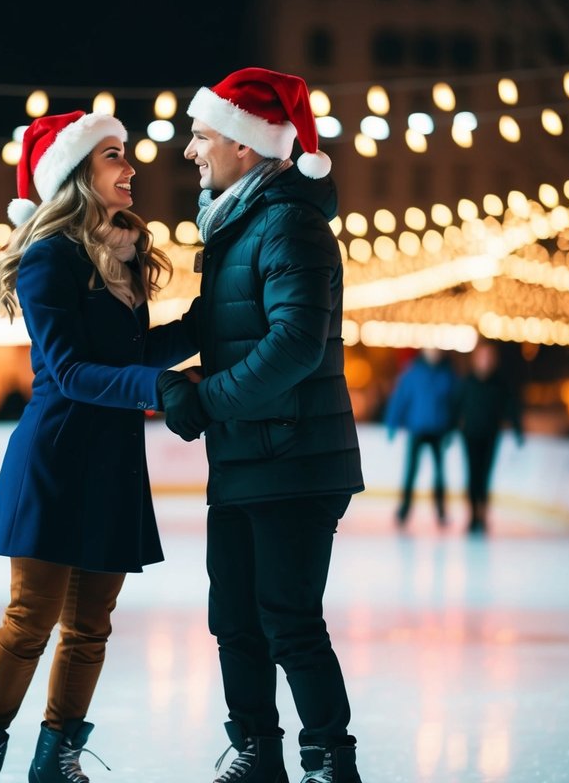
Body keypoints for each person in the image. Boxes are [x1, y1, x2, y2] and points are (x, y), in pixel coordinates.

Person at [0, 110, 195, 783]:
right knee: (30, 617)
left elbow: (136, 349)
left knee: (90, 626)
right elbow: (71, 370)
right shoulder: (48, 257)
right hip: (56, 453)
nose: (130, 166)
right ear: (78, 173)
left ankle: (56, 759)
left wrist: (207, 329)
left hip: (112, 458)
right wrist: (157, 386)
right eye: (114, 154)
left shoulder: (125, 255)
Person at [159, 67, 366, 783]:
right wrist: (131, 356)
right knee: (235, 623)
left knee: (288, 621)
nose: (190, 149)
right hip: (248, 456)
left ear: (244, 146)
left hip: (294, 456)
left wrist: (205, 400)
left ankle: (327, 761)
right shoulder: (237, 223)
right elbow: (209, 324)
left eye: (202, 135)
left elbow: (293, 345)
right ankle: (256, 753)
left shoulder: (289, 223)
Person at [385, 347, 460, 528]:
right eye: (430, 351)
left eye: (436, 351)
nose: (434, 354)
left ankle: (441, 512)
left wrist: (451, 429)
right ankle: (404, 511)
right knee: (410, 472)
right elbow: (400, 398)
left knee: (440, 475)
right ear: (424, 352)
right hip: (417, 429)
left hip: (438, 431)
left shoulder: (447, 375)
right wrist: (392, 423)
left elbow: (455, 404)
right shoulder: (413, 373)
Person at [456, 342, 524, 534]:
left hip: (491, 436)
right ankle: (472, 515)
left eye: (488, 357)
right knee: (472, 476)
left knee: (485, 477)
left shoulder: (500, 384)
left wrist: (518, 429)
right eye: (482, 357)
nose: (485, 361)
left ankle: (483, 515)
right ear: (475, 359)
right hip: (470, 436)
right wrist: (451, 428)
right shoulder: (467, 382)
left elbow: (511, 407)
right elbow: (456, 406)